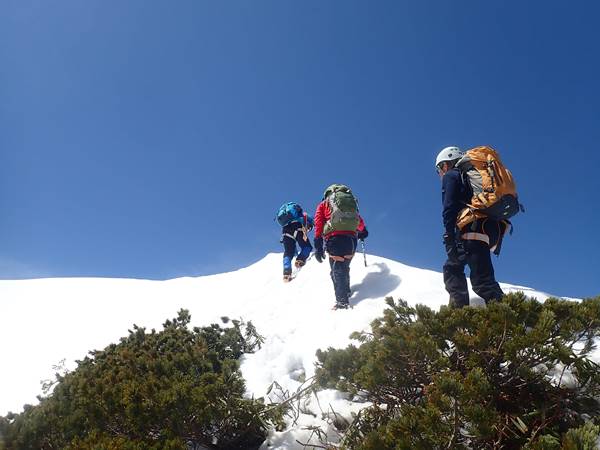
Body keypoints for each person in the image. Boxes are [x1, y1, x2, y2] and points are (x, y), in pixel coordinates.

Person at [436, 146, 506, 308]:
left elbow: (449, 207)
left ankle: (460, 317)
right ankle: (507, 316)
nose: (440, 173)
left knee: (481, 281)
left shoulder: (452, 175)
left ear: (446, 164)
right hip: (489, 227)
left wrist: (449, 235)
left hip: (473, 227)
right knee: (454, 267)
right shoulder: (469, 175)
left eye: (439, 168)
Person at [313, 184, 368, 309]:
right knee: (344, 266)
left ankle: (342, 302)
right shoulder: (350, 204)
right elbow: (359, 221)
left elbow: (318, 224)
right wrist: (363, 232)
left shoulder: (324, 204)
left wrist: (318, 245)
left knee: (336, 270)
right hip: (351, 240)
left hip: (334, 239)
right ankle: (346, 292)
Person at [277, 202, 314, 282]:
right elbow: (311, 220)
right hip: (297, 227)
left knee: (288, 252)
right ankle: (300, 260)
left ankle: (286, 271)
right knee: (307, 246)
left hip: (285, 231)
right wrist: (309, 226)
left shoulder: (287, 218)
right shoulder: (304, 215)